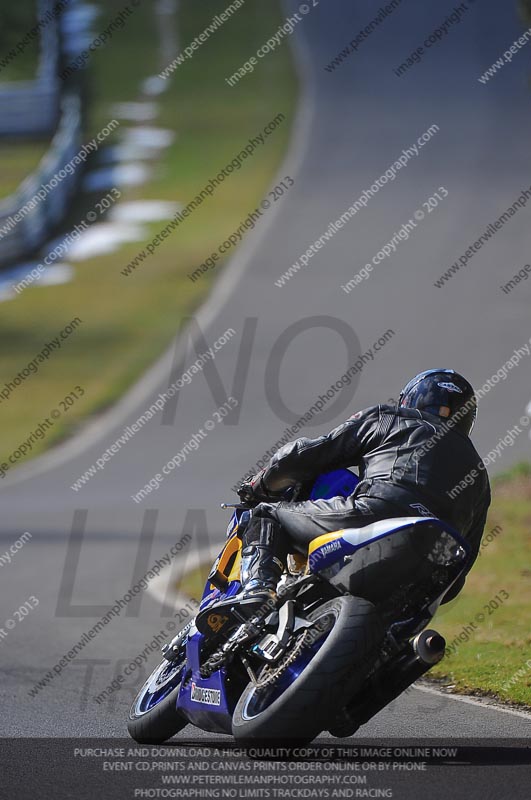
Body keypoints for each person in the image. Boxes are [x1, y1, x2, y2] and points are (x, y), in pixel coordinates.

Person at [208, 369, 491, 623]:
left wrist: (259, 486)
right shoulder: (480, 476)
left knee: (266, 514)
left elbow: (306, 456)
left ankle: (258, 589)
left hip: (377, 513)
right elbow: (464, 564)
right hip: (436, 569)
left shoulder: (393, 418)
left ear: (411, 400)